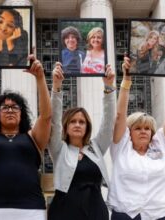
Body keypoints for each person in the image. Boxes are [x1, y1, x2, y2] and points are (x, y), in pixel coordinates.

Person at [0, 55, 51, 220]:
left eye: (15, 107)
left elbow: (46, 117)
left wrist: (40, 79)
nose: (10, 110)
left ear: (22, 114)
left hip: (31, 210)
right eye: (4, 107)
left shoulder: (33, 137)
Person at [107, 56, 165, 220]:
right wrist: (126, 80)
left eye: (147, 129)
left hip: (158, 214)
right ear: (129, 132)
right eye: (138, 128)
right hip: (126, 213)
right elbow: (119, 116)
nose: (143, 132)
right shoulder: (121, 147)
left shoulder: (160, 144)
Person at [47, 61, 116, 220]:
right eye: (73, 121)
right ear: (66, 125)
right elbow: (54, 121)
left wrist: (109, 87)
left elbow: (108, 123)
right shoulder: (59, 148)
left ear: (87, 126)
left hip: (95, 210)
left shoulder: (96, 147)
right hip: (65, 210)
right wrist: (56, 87)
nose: (77, 124)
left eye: (81, 121)